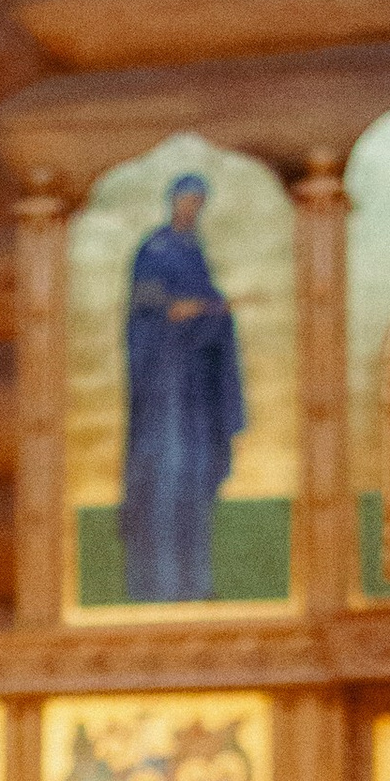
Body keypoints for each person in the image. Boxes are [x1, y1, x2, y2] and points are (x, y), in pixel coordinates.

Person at [122, 173, 245, 603]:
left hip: (194, 393)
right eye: (187, 201)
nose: (192, 209)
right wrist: (181, 311)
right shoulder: (155, 251)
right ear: (173, 202)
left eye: (199, 202)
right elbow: (148, 307)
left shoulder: (195, 252)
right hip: (164, 393)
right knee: (163, 482)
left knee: (195, 482)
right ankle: (158, 584)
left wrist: (215, 312)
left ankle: (194, 584)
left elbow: (202, 306)